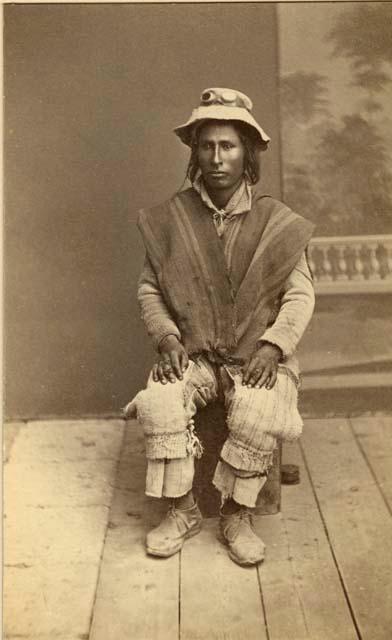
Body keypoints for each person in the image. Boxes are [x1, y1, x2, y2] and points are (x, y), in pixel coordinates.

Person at [124, 87, 315, 566]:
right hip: (196, 354)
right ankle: (182, 510)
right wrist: (167, 338)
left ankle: (236, 514)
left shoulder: (278, 223)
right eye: (206, 146)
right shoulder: (171, 220)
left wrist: (274, 347)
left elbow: (299, 295)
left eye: (227, 146)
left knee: (259, 407)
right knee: (162, 398)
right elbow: (149, 290)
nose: (216, 157)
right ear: (195, 153)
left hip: (256, 355)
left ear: (247, 152)